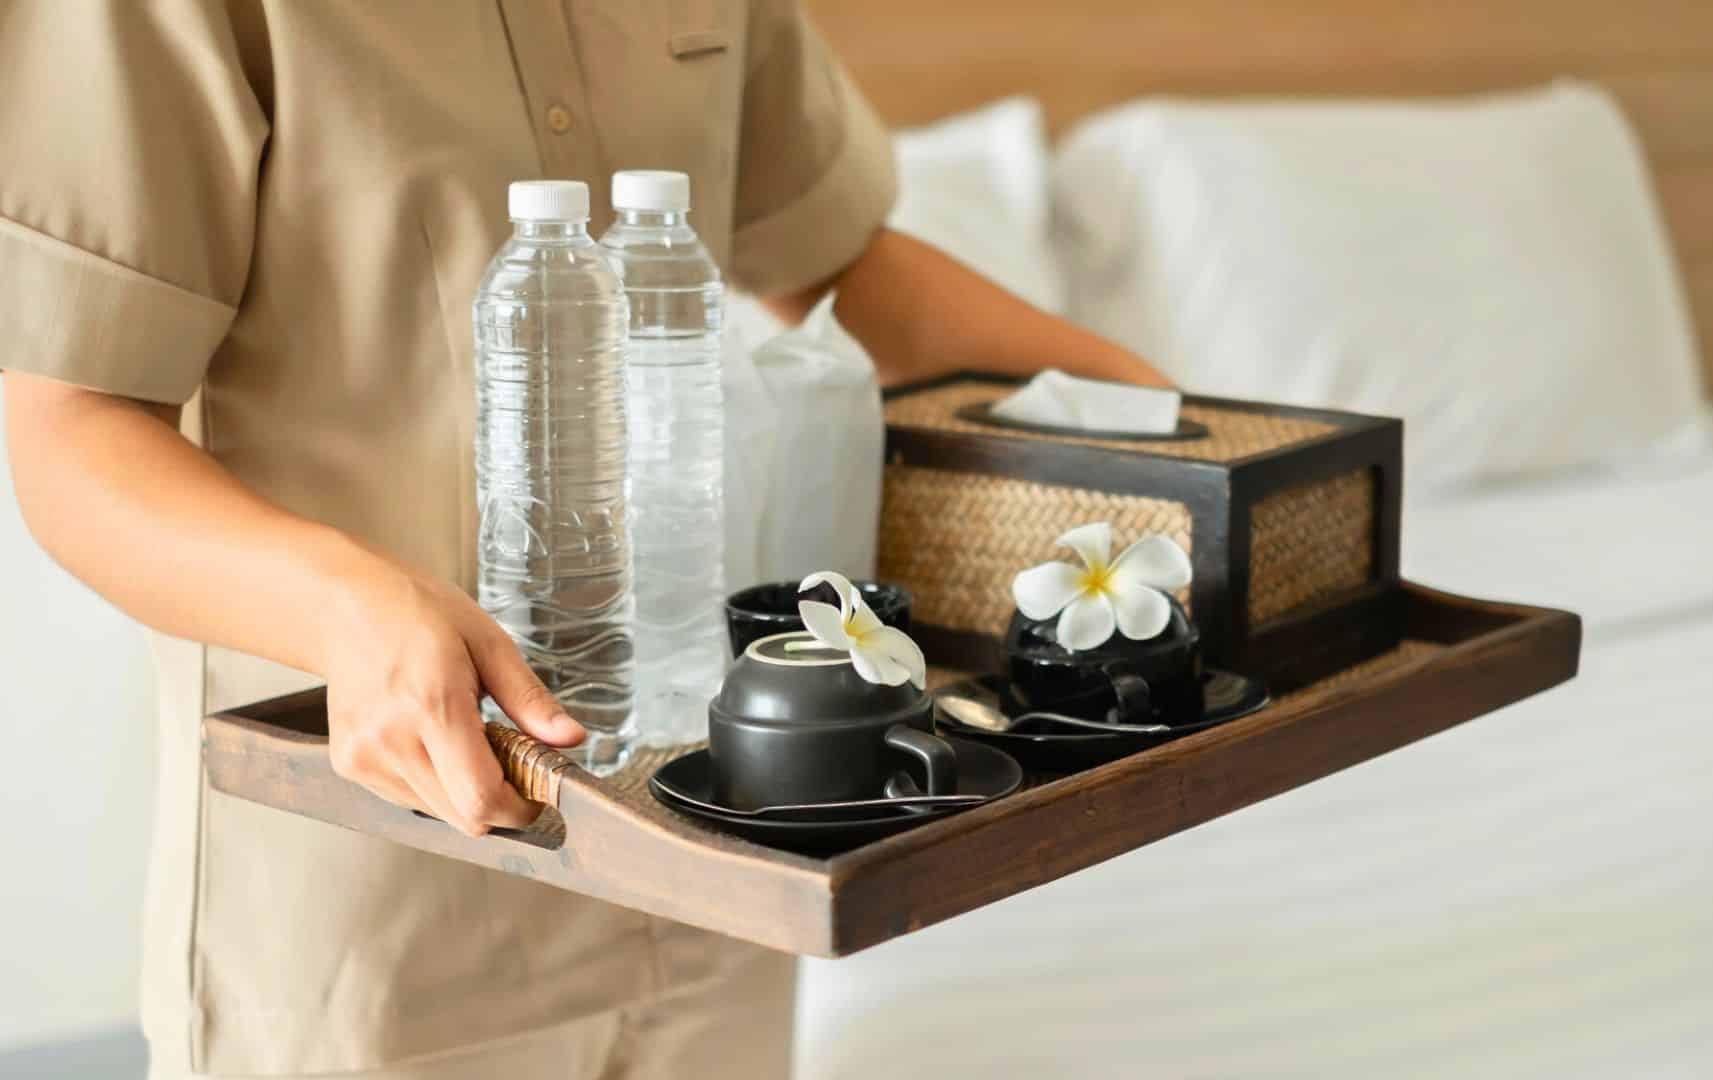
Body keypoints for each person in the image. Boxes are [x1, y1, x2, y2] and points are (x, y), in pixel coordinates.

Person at [0, 2, 1165, 1078]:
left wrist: (1173, 431)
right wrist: (348, 607)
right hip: (381, 904)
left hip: (705, 858)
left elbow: (837, 264)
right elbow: (72, 427)